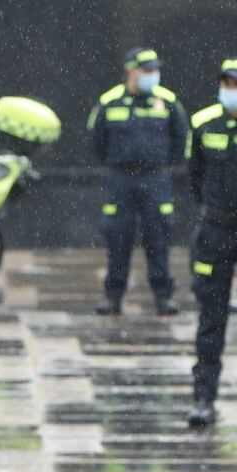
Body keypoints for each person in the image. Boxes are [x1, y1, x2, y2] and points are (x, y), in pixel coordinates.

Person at [185, 58, 237, 428]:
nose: (232, 90)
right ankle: (203, 397)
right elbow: (194, 176)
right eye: (226, 83)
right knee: (210, 316)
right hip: (214, 230)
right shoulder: (202, 123)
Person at [87, 48, 187, 317]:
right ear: (131, 71)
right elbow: (97, 141)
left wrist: (161, 162)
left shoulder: (167, 102)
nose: (152, 76)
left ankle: (163, 296)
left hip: (156, 178)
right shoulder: (110, 102)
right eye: (147, 70)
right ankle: (113, 296)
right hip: (120, 178)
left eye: (155, 70)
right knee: (118, 236)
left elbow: (180, 138)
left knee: (159, 236)